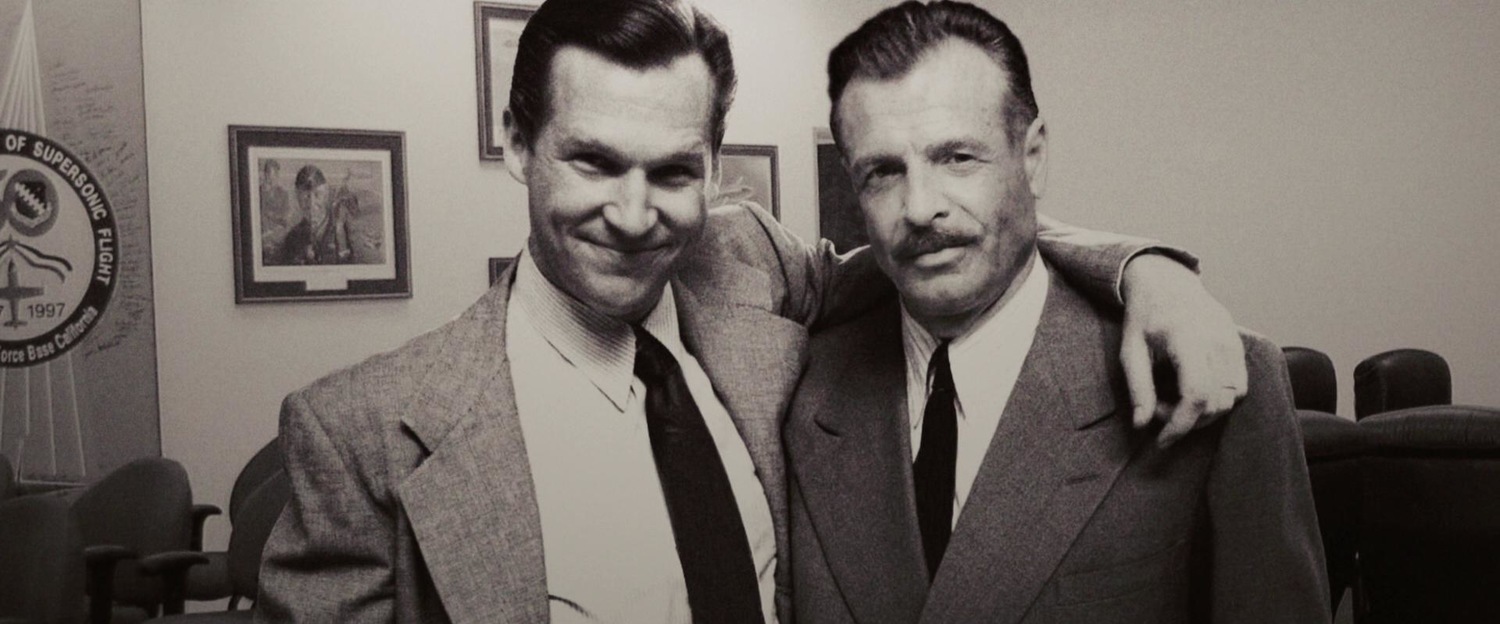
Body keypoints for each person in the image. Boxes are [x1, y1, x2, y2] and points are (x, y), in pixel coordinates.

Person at [256, 0, 1250, 622]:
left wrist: (1144, 270)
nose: (634, 215)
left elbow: (937, 244)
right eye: (593, 162)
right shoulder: (359, 433)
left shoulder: (746, 269)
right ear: (520, 145)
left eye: (673, 172)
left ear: (712, 168)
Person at [783, 3, 1328, 622]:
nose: (919, 207)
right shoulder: (806, 383)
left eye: (957, 158)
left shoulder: (1211, 379)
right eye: (882, 172)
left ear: (1033, 156)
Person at [279, 164, 352, 265]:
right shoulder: (292, 238)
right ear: (297, 196)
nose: (311, 203)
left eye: (317, 195)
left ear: (326, 194)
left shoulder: (342, 230)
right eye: (306, 197)